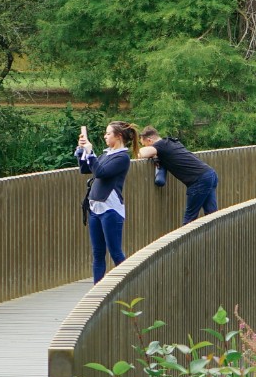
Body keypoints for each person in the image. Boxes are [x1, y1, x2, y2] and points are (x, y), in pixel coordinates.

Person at [76, 121, 137, 283]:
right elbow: (85, 169)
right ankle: (97, 290)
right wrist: (81, 151)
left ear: (118, 136)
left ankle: (128, 286)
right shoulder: (106, 154)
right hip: (95, 209)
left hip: (111, 210)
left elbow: (101, 172)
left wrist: (91, 153)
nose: (105, 136)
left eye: (108, 133)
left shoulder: (122, 157)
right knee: (98, 253)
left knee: (115, 252)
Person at [138, 125, 219, 224]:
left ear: (150, 141)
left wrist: (144, 151)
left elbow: (142, 154)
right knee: (212, 215)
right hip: (210, 174)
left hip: (198, 180)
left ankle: (187, 239)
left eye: (144, 144)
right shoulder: (172, 142)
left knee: (189, 220)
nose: (144, 147)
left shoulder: (160, 145)